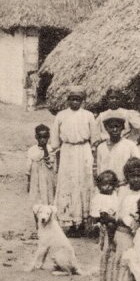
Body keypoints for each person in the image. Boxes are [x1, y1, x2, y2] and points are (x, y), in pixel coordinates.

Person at [50, 85, 100, 236]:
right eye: (72, 99)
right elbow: (55, 139)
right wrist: (58, 159)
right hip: (67, 152)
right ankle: (71, 223)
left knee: (84, 183)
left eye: (78, 100)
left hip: (83, 151)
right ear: (67, 100)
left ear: (83, 101)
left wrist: (94, 158)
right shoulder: (61, 116)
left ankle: (85, 223)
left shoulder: (88, 115)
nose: (75, 102)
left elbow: (94, 138)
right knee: (68, 184)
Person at [92, 170, 120, 281]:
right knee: (104, 250)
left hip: (112, 221)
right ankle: (103, 278)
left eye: (110, 184)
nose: (107, 187)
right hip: (103, 223)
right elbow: (95, 213)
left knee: (112, 252)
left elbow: (117, 208)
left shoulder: (115, 196)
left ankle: (112, 277)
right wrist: (100, 218)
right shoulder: (98, 197)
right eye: (104, 184)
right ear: (99, 185)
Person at [96, 111, 140, 183]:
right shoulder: (101, 148)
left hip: (125, 186)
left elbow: (137, 168)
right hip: (107, 187)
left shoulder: (130, 145)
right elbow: (99, 171)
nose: (114, 130)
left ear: (122, 127)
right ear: (106, 128)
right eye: (111, 127)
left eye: (117, 126)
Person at [27, 124, 56, 209]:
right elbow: (28, 168)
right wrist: (28, 182)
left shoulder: (50, 149)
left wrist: (45, 149)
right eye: (40, 137)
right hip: (36, 177)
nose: (43, 140)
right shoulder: (32, 150)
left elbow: (50, 162)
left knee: (48, 195)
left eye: (45, 137)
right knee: (36, 197)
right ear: (36, 137)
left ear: (48, 137)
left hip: (47, 177)